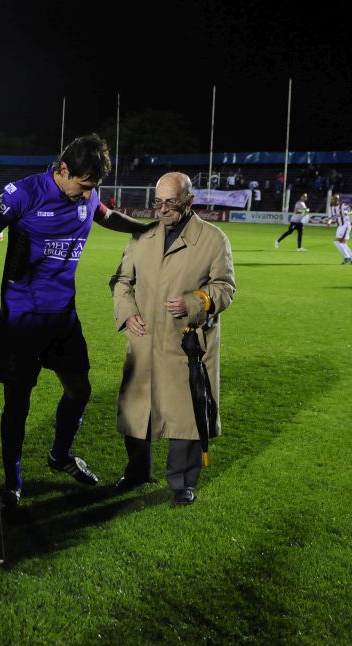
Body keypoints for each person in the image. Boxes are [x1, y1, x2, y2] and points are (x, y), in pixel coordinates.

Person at [0, 134, 147, 509]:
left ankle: (60, 455)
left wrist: (144, 228)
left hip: (63, 317)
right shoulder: (23, 193)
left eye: (93, 188)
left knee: (79, 389)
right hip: (22, 318)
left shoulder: (88, 195)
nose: (87, 195)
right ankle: (13, 482)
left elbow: (106, 215)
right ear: (62, 170)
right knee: (18, 403)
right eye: (83, 186)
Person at [111, 172, 235, 505]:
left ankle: (183, 482)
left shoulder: (213, 239)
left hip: (186, 344)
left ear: (189, 201)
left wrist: (194, 302)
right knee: (137, 412)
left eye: (171, 203)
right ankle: (137, 470)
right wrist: (127, 313)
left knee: (186, 415)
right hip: (144, 339)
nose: (163, 210)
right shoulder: (142, 237)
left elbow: (225, 288)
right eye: (158, 202)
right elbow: (121, 281)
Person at [328, 194, 352, 264]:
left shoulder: (343, 205)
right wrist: (329, 222)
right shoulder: (332, 208)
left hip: (345, 225)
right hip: (339, 227)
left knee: (337, 242)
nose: (332, 200)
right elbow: (334, 217)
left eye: (334, 199)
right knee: (343, 244)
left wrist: (348, 213)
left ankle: (347, 257)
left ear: (337, 200)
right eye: (332, 199)